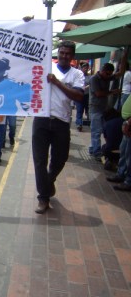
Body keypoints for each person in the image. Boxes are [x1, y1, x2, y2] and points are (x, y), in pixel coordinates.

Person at [32, 40, 85, 214]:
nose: (64, 56)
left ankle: (49, 180)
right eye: (61, 52)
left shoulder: (77, 75)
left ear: (72, 56)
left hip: (61, 122)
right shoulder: (47, 67)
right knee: (40, 160)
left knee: (60, 159)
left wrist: (57, 83)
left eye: (67, 53)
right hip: (41, 119)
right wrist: (28, 25)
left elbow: (78, 96)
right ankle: (43, 198)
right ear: (57, 53)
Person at [88, 63, 121, 161]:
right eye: (107, 74)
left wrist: (123, 57)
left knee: (99, 130)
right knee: (96, 131)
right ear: (102, 71)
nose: (108, 76)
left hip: (103, 108)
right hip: (95, 108)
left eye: (109, 74)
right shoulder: (94, 79)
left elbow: (120, 73)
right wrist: (112, 92)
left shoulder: (106, 78)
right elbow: (98, 93)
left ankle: (92, 149)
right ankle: (97, 152)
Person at [109, 95, 131, 191]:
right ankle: (121, 174)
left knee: (129, 154)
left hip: (129, 123)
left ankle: (128, 181)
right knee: (124, 151)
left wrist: (129, 122)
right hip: (127, 122)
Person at [75, 62, 91, 131]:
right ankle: (79, 124)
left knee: (88, 110)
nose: (85, 69)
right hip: (79, 95)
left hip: (87, 96)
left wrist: (87, 87)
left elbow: (92, 84)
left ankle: (89, 122)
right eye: (84, 68)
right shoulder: (78, 77)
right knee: (79, 110)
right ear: (81, 68)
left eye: (86, 68)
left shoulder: (90, 77)